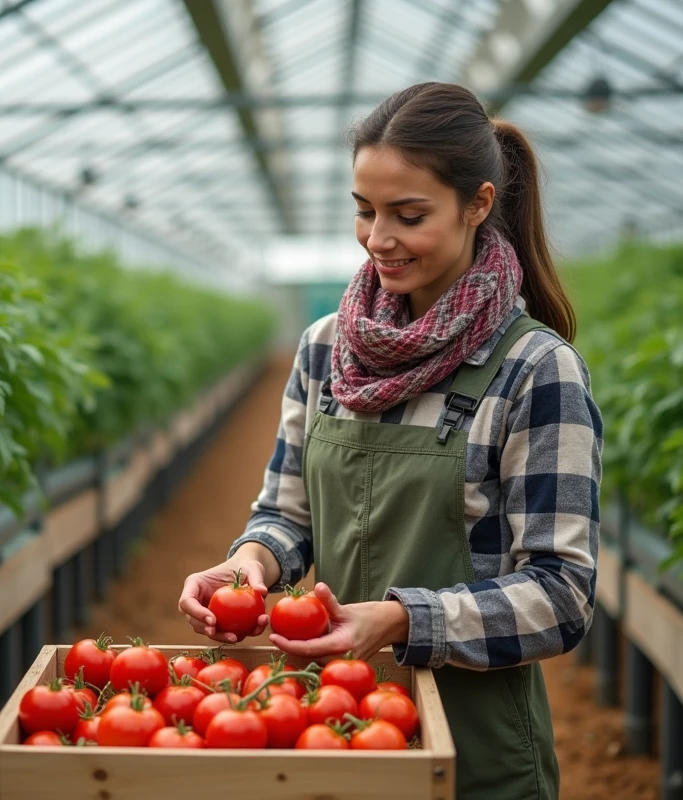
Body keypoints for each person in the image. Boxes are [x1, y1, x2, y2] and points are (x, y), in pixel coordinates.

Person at [178, 82, 602, 799]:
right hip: (325, 723)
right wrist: (250, 565)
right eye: (364, 210)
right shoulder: (325, 350)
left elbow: (562, 596)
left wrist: (404, 619)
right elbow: (287, 513)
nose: (378, 238)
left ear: (479, 204)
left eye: (409, 215)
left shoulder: (536, 371)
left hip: (476, 750)